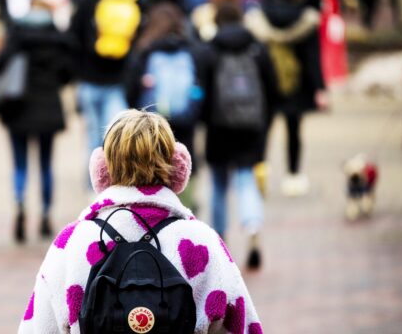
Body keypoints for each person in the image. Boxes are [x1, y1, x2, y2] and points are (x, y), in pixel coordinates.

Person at [17, 109, 263, 333]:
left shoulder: (72, 243)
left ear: (103, 168)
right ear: (178, 165)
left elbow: (37, 326)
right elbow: (243, 324)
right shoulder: (203, 241)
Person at [0, 0, 73, 243]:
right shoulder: (57, 39)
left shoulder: (17, 36)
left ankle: (20, 205)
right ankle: (46, 213)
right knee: (46, 164)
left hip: (19, 108)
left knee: (20, 164)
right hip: (48, 107)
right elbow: (67, 74)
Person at [203, 2, 278, 270]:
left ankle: (219, 240)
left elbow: (202, 92)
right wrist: (264, 124)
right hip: (251, 128)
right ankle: (253, 225)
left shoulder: (210, 50)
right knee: (247, 180)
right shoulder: (258, 48)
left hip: (218, 128)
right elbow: (273, 91)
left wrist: (205, 121)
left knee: (220, 185)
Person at [245, 0, 327, 197]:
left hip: (266, 82)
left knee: (264, 129)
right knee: (294, 130)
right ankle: (293, 176)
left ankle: (260, 172)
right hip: (296, 85)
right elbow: (312, 57)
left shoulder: (260, 16)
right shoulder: (306, 17)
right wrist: (320, 87)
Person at [126, 2, 206, 210]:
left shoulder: (145, 51)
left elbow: (130, 89)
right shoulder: (191, 50)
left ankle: (157, 206)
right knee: (185, 155)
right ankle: (186, 205)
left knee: (152, 158)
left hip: (151, 120)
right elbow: (201, 85)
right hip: (185, 118)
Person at [70, 0, 139, 164]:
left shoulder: (88, 0)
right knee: (115, 136)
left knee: (93, 136)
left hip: (89, 79)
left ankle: (93, 186)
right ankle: (115, 181)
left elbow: (73, 37)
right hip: (118, 80)